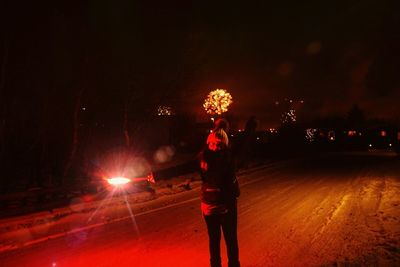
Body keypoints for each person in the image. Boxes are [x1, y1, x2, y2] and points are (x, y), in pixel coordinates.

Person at [199, 128, 240, 267]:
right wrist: (158, 175)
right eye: (212, 144)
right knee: (214, 240)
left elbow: (227, 181)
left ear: (224, 145)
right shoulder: (203, 158)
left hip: (226, 205)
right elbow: (183, 167)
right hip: (209, 205)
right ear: (208, 143)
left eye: (219, 144)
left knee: (230, 239)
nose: (215, 147)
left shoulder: (229, 159)